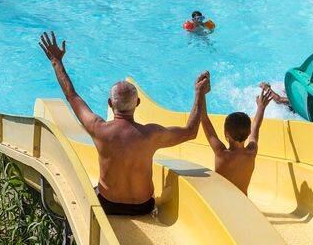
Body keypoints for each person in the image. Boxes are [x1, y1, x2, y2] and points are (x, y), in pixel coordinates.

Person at [39, 31, 200, 215]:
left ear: (110, 103)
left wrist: (56, 62)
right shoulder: (152, 134)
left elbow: (71, 95)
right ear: (138, 103)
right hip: (143, 207)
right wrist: (199, 94)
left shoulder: (98, 128)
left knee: (87, 192)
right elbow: (191, 131)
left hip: (108, 204)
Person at [193, 73, 275, 195]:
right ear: (248, 133)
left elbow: (204, 118)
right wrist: (261, 107)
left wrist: (201, 93)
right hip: (243, 202)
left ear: (226, 134)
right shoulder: (252, 151)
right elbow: (256, 127)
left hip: (223, 203)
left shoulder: (222, 153)